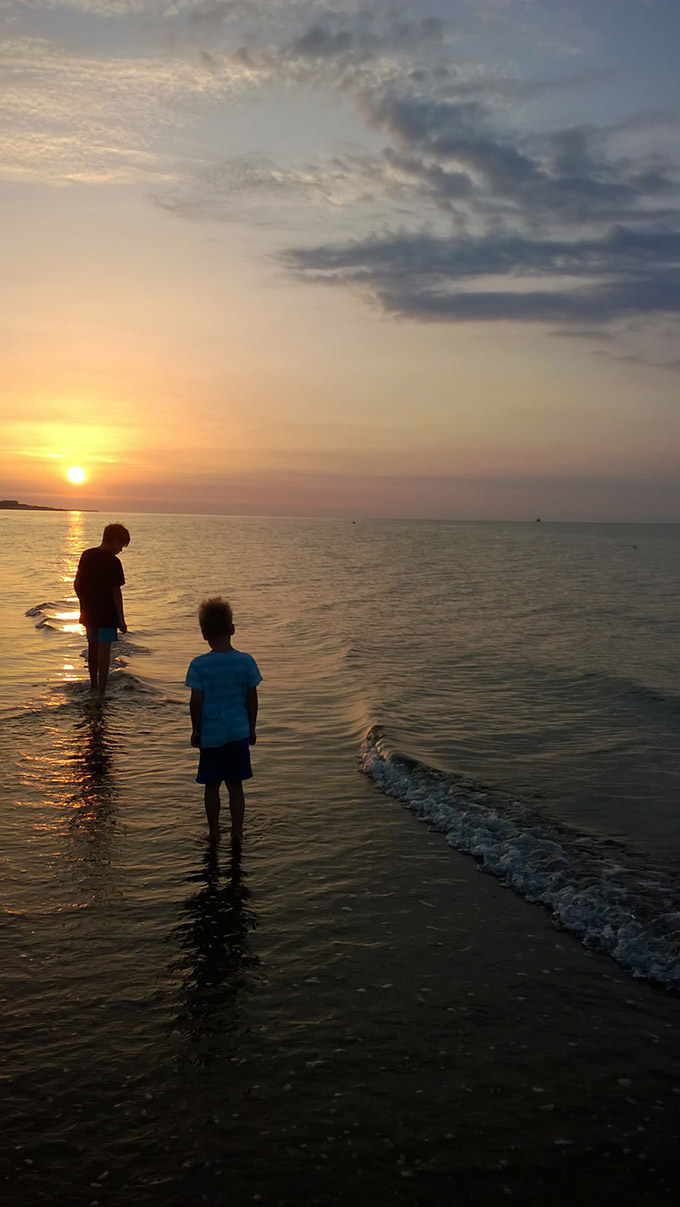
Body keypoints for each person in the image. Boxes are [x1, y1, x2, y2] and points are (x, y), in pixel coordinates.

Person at [185, 597, 262, 845]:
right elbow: (252, 699)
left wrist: (196, 730)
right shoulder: (246, 661)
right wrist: (251, 727)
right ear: (232, 629)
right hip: (238, 733)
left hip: (211, 734)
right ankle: (238, 832)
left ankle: (214, 832)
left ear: (204, 634)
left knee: (211, 786)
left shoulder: (199, 665)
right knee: (235, 786)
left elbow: (196, 702)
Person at [74, 523, 130, 695]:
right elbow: (116, 591)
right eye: (121, 545)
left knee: (93, 647)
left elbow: (77, 583)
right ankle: (102, 689)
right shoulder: (114, 562)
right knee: (104, 652)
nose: (120, 550)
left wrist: (83, 604)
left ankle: (93, 684)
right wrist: (121, 619)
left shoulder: (87, 555)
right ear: (114, 541)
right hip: (107, 614)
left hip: (89, 612)